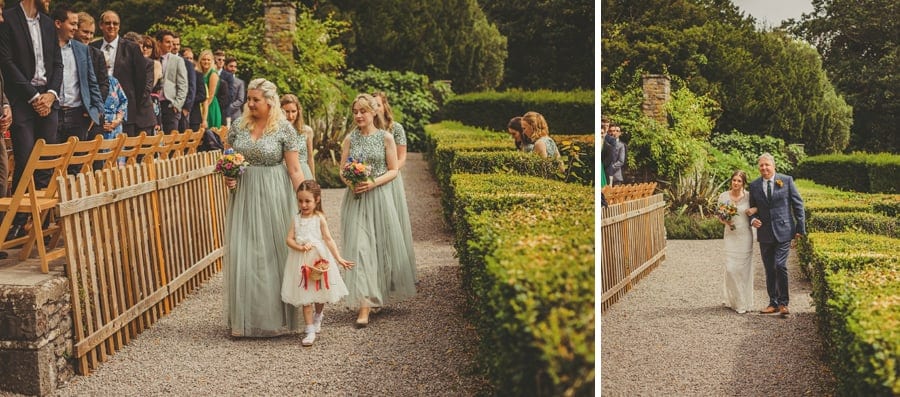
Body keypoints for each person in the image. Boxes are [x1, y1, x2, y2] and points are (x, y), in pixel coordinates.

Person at [222, 78, 305, 337]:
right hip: (244, 194)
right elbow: (228, 156)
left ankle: (273, 318)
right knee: (245, 252)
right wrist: (229, 173)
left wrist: (308, 203)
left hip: (274, 195)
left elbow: (294, 169)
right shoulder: (238, 125)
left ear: (270, 102)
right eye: (249, 99)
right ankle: (245, 319)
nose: (250, 103)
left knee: (271, 253)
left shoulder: (284, 129)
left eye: (255, 99)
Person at [339, 93, 416, 328]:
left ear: (374, 112)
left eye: (363, 111)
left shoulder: (386, 138)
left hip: (380, 196)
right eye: (355, 112)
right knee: (361, 247)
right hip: (356, 199)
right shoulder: (349, 139)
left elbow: (394, 170)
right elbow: (342, 170)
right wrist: (351, 181)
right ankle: (364, 305)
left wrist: (372, 182)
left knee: (378, 246)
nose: (359, 115)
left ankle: (376, 294)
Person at [0, 0, 62, 240]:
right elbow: (6, 62)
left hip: (48, 99)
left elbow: (57, 63)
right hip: (23, 100)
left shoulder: (48, 23)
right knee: (25, 161)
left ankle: (42, 224)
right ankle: (17, 222)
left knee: (45, 163)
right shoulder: (9, 18)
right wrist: (34, 96)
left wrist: (50, 95)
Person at [280, 180, 353, 346]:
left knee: (319, 293)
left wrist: (339, 258)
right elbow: (288, 239)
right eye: (300, 201)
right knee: (306, 297)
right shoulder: (296, 219)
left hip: (319, 260)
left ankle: (318, 315)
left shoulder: (319, 218)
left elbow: (328, 239)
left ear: (317, 200)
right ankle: (309, 330)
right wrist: (299, 247)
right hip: (302, 261)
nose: (303, 205)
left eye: (307, 201)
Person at [748, 153, 806, 317]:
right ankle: (772, 302)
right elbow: (752, 208)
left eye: (767, 165)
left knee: (780, 265)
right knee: (769, 269)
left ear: (773, 166)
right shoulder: (754, 185)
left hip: (784, 230)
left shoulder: (786, 180)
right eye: (761, 165)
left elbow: (798, 205)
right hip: (765, 232)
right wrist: (753, 220)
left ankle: (783, 303)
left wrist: (799, 229)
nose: (764, 168)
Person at [371, 91, 415, 277]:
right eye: (372, 106)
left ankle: (399, 270)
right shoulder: (366, 130)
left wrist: (392, 171)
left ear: (384, 107)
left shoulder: (395, 128)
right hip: (371, 180)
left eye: (378, 105)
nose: (376, 109)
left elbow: (402, 156)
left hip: (391, 180)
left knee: (393, 223)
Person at [92, 10, 154, 137]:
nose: (112, 26)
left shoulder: (132, 48)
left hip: (124, 113)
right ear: (101, 25)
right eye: (108, 23)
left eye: (115, 23)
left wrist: (128, 107)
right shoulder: (93, 47)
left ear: (119, 26)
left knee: (123, 152)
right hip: (98, 111)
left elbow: (140, 81)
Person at [53, 5, 103, 147]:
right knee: (51, 162)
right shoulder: (48, 45)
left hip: (78, 114)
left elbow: (92, 81)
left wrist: (97, 109)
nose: (75, 28)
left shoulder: (82, 49)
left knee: (76, 164)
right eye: (73, 24)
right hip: (54, 113)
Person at [717, 170, 754, 314]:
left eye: (739, 181)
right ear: (731, 181)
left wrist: (754, 209)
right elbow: (719, 215)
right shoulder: (723, 196)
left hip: (745, 236)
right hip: (730, 235)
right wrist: (725, 220)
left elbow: (758, 209)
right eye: (734, 180)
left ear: (743, 183)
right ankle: (733, 298)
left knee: (743, 270)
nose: (736, 183)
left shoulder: (750, 196)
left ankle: (742, 302)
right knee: (731, 268)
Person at [153, 30, 187, 134]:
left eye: (172, 42)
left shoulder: (178, 60)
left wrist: (177, 104)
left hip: (170, 104)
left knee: (170, 138)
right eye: (168, 42)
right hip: (153, 103)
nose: (171, 45)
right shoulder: (153, 58)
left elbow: (183, 84)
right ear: (159, 42)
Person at [280, 94, 314, 180]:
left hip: (304, 173)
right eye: (287, 112)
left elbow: (310, 157)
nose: (290, 116)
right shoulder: (276, 131)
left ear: (298, 111)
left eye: (293, 111)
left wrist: (313, 179)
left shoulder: (307, 131)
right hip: (283, 175)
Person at [196, 50, 221, 130]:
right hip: (201, 105)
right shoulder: (200, 73)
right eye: (204, 59)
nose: (206, 61)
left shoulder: (213, 74)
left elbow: (210, 96)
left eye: (208, 60)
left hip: (210, 106)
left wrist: (203, 113)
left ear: (212, 61)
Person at [223, 57, 244, 122]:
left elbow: (240, 100)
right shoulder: (219, 79)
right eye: (231, 66)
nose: (233, 69)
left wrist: (228, 109)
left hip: (235, 117)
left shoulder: (240, 82)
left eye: (235, 67)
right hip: (221, 116)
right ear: (225, 66)